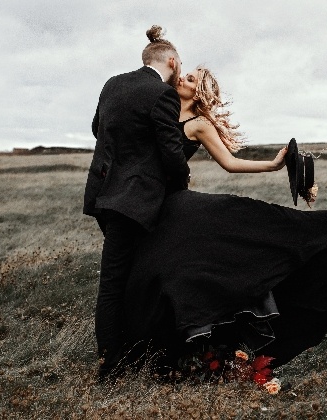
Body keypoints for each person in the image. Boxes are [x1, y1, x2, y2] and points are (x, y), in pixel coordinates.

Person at [120, 65, 327, 375]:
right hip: (145, 205)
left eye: (191, 79)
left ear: (199, 93)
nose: (182, 77)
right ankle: (163, 351)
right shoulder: (158, 107)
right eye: (184, 74)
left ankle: (200, 349)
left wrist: (274, 165)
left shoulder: (198, 124)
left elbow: (230, 163)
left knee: (222, 243)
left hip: (174, 204)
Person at [83, 26, 190, 379]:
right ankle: (110, 367)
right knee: (115, 282)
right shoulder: (163, 94)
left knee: (124, 277)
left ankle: (128, 350)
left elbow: (98, 128)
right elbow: (172, 152)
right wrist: (180, 184)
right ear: (171, 61)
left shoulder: (112, 84)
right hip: (137, 200)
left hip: (105, 193)